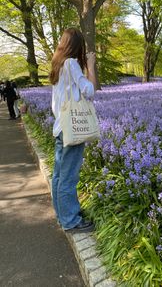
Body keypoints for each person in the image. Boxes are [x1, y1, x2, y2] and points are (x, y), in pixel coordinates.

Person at [49, 28, 96, 232]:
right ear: (77, 47)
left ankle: (62, 215)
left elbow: (55, 103)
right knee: (68, 176)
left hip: (61, 127)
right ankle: (71, 221)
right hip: (73, 130)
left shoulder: (57, 65)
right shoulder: (71, 64)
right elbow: (90, 90)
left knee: (59, 175)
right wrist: (90, 66)